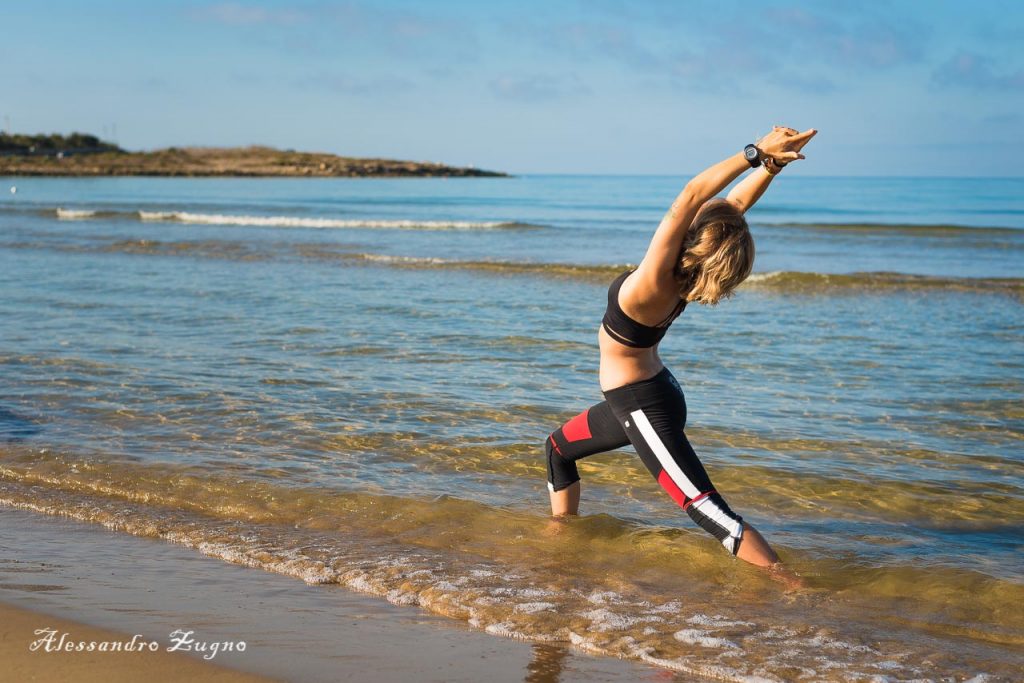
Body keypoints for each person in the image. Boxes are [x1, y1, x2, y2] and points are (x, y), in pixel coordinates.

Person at [544, 126, 817, 570]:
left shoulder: (653, 283)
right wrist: (772, 166)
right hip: (638, 396)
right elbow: (736, 206)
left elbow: (691, 195)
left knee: (706, 509)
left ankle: (788, 588)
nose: (716, 202)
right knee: (558, 448)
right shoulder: (682, 274)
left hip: (642, 404)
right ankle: (562, 540)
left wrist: (753, 152)